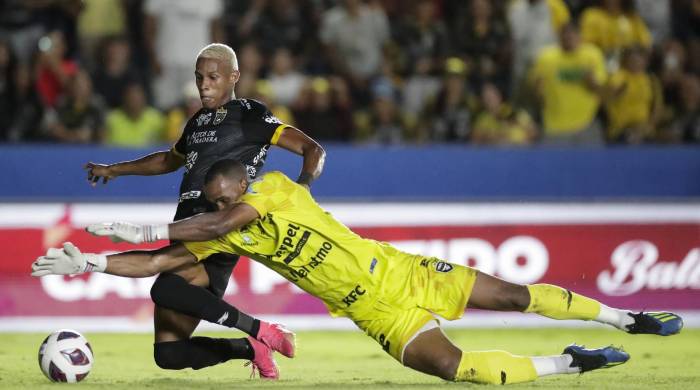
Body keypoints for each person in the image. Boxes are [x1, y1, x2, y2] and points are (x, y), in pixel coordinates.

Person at [34, 159, 683, 385]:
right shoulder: (220, 223)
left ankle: (628, 317)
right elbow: (162, 262)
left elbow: (214, 227)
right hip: (375, 312)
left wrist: (149, 224)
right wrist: (89, 260)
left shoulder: (278, 192)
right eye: (214, 201)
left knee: (512, 295)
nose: (219, 204)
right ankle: (574, 362)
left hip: (400, 272)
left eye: (224, 195)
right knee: (457, 370)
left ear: (245, 184)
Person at [83, 43, 326, 379]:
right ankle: (250, 347)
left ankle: (262, 330)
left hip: (220, 225)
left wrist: (303, 187)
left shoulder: (250, 114)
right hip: (185, 226)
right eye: (199, 77)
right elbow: (169, 160)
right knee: (169, 354)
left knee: (163, 286)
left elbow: (312, 148)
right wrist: (115, 169)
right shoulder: (197, 120)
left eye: (213, 77)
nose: (204, 84)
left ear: (234, 77)